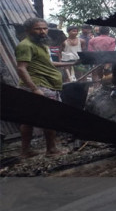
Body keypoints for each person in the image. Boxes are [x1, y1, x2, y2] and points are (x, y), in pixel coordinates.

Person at [15, 18, 75, 158]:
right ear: (28, 30)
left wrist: (71, 63)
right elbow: (21, 69)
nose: (42, 31)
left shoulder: (41, 44)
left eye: (44, 28)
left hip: (42, 85)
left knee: (28, 120)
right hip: (39, 86)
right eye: (38, 28)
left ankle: (25, 152)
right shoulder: (26, 45)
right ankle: (51, 150)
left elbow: (49, 64)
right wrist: (35, 89)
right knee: (51, 118)